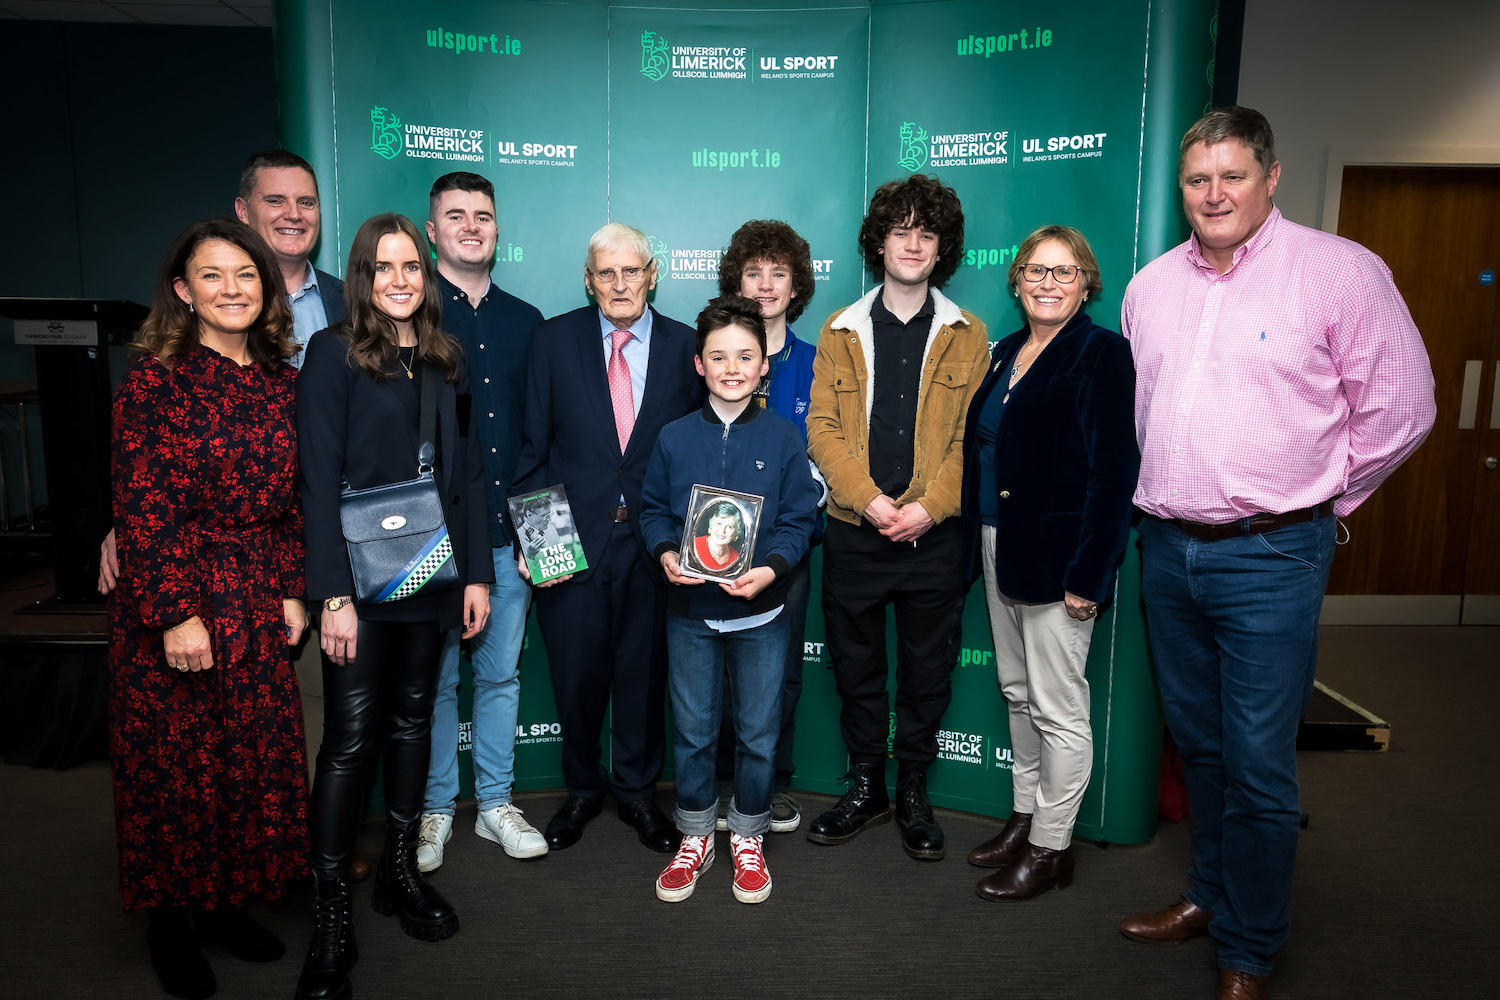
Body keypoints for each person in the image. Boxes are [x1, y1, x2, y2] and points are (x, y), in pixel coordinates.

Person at [1118, 107, 1434, 1000]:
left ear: (1271, 176)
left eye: (1232, 175)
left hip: (1271, 555)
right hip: (1168, 549)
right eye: (1196, 179)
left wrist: (1324, 496)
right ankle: (1211, 897)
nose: (1213, 194)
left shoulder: (1339, 273)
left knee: (1258, 761)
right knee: (1203, 747)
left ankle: (1250, 949)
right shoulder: (1151, 287)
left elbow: (1404, 407)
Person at [108, 218, 308, 1000]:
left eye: (247, 276)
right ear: (183, 291)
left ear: (267, 289)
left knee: (245, 762)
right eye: (214, 277)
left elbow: (294, 500)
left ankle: (226, 906)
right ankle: (170, 922)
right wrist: (173, 614)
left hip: (258, 595)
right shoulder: (157, 381)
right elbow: (143, 505)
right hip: (185, 596)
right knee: (175, 768)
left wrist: (293, 585)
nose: (233, 290)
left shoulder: (279, 381)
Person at [294, 213, 493, 1000]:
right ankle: (332, 910)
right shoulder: (332, 354)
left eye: (412, 266)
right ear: (363, 277)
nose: (401, 280)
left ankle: (400, 874)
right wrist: (331, 595)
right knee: (349, 743)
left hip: (433, 577)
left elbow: (469, 474)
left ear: (429, 271)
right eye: (385, 268)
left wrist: (476, 574)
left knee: (414, 722)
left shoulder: (446, 359)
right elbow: (315, 480)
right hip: (360, 588)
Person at [805, 174, 990, 861]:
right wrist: (872, 502)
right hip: (856, 532)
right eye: (900, 230)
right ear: (878, 242)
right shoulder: (840, 328)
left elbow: (970, 440)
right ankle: (865, 785)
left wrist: (925, 510)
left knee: (927, 671)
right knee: (856, 667)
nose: (912, 244)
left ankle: (913, 788)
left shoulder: (970, 335)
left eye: (926, 233)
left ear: (942, 248)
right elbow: (821, 429)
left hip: (932, 540)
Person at [511, 222, 704, 853]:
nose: (619, 284)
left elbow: (698, 450)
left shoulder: (686, 347)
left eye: (631, 271)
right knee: (575, 675)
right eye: (606, 273)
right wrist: (538, 543)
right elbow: (533, 447)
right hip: (567, 539)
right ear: (589, 279)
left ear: (652, 274)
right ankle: (582, 791)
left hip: (654, 545)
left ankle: (639, 794)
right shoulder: (553, 340)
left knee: (644, 678)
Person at [959, 225, 1139, 900]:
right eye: (1036, 270)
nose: (1048, 283)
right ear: (1017, 280)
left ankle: (1051, 848)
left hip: (1061, 557)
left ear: (1087, 282)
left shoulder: (1102, 354)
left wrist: (1091, 572)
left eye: (1064, 273)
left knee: (1059, 708)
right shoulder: (1008, 350)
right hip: (1000, 543)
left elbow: (1115, 472)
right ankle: (1026, 815)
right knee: (1017, 693)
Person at [639, 295, 820, 904]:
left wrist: (771, 570)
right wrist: (666, 551)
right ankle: (696, 836)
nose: (733, 367)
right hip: (690, 614)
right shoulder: (672, 438)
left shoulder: (784, 437)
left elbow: (799, 520)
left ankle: (748, 833)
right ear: (699, 365)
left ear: (764, 363)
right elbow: (654, 511)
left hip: (762, 614)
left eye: (746, 355)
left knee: (758, 734)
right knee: (692, 733)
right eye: (719, 357)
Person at [99, 149, 346, 590]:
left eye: (306, 202)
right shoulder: (157, 379)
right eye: (275, 200)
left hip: (313, 559)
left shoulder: (352, 308)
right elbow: (148, 490)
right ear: (186, 289)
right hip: (195, 582)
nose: (294, 214)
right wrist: (129, 527)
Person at [415, 172, 548, 873]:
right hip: (427, 546)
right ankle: (436, 811)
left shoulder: (529, 321)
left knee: (500, 680)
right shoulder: (407, 313)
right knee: (435, 685)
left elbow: (543, 437)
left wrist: (543, 543)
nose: (472, 226)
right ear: (431, 231)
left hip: (509, 542)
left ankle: (495, 805)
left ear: (498, 230)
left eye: (484, 216)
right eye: (456, 216)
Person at [712, 219, 822, 834]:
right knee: (715, 669)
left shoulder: (817, 361)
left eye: (778, 273)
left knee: (780, 674)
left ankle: (772, 784)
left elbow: (828, 454)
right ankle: (725, 785)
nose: (766, 284)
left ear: (796, 283)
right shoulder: (714, 355)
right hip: (717, 542)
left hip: (786, 547)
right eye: (754, 272)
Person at [691, 501, 747, 574]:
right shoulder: (694, 545)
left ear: (736, 534)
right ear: (710, 526)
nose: (722, 531)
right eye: (719, 524)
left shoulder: (735, 557)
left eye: (730, 526)